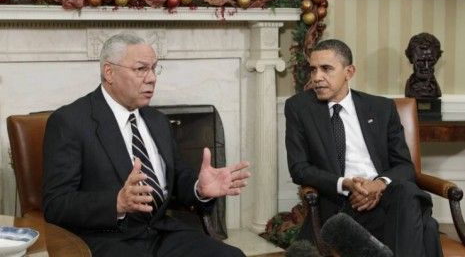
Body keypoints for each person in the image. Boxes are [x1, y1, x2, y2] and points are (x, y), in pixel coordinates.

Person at [42, 32, 250, 257]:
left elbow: (178, 178)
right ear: (109, 72)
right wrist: (116, 202)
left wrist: (199, 188)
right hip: (108, 239)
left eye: (154, 68)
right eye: (141, 69)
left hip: (161, 233)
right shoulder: (70, 122)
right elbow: (56, 204)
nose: (152, 78)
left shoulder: (157, 120)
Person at [285, 39, 442, 257]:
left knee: (405, 191)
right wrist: (346, 184)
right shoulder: (299, 108)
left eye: (326, 69)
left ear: (349, 72)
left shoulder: (380, 108)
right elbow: (299, 168)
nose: (317, 77)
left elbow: (405, 166)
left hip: (386, 198)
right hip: (340, 205)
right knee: (427, 227)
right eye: (313, 69)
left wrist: (378, 184)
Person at [405, 32, 443, 99]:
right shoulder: (409, 88)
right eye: (420, 61)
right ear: (411, 58)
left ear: (437, 59)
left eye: (430, 61)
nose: (426, 66)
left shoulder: (435, 89)